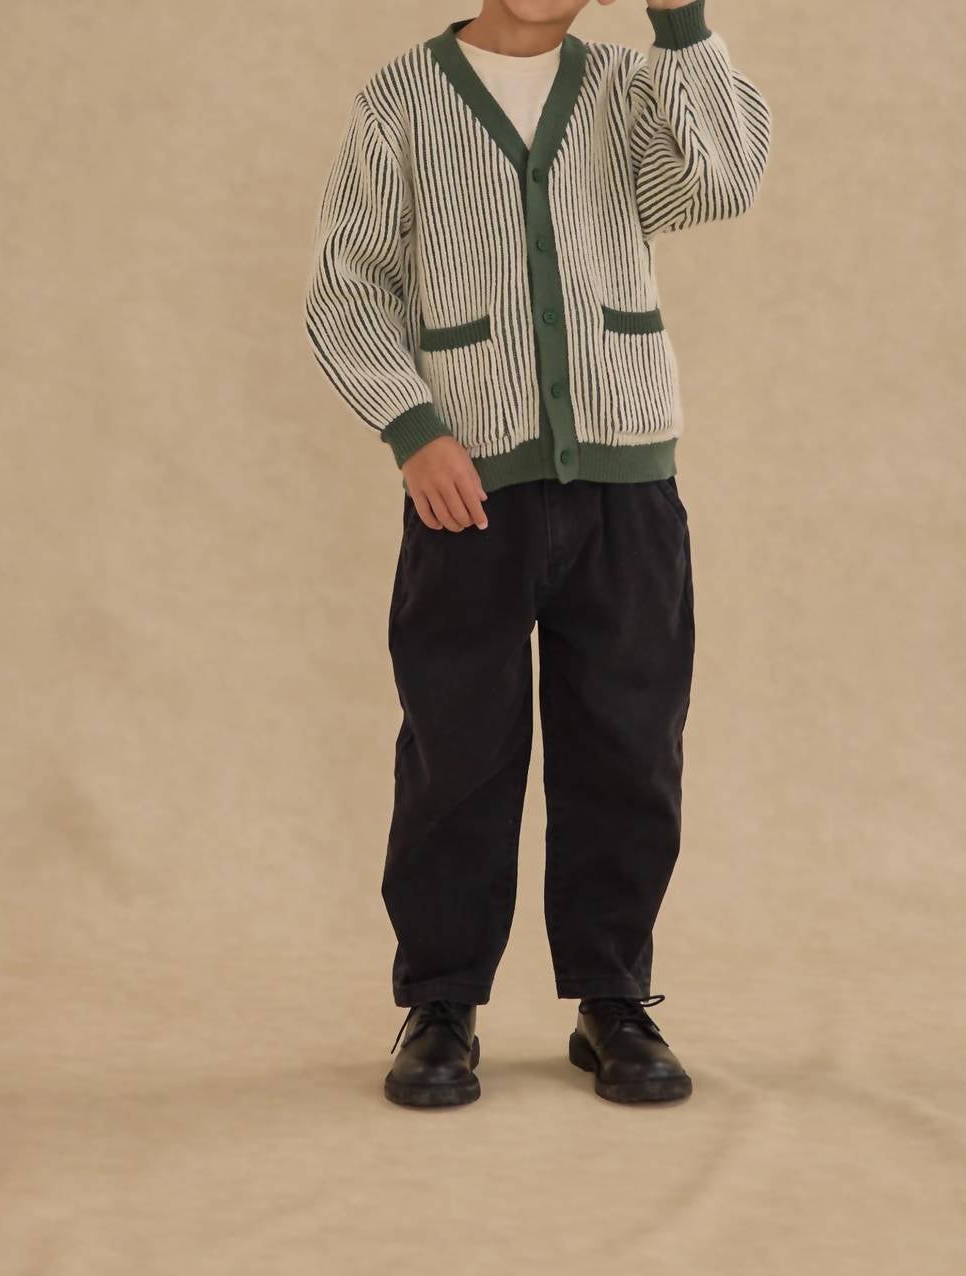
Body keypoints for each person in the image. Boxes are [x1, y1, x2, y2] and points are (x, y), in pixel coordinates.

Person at [302, 0, 771, 1108]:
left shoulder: (627, 89)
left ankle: (614, 999)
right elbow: (347, 284)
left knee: (628, 746)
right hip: (467, 487)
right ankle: (441, 1004)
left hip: (627, 479)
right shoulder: (402, 102)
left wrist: (682, 24)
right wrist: (413, 427)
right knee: (456, 752)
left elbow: (723, 179)